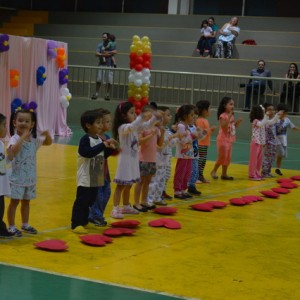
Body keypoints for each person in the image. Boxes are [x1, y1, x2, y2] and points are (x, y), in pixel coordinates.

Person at [7, 105, 52, 237]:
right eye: (20, 120)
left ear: (32, 124)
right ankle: (11, 226)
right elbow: (12, 152)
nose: (23, 123)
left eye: (27, 121)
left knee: (26, 202)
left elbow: (48, 143)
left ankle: (25, 224)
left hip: (30, 178)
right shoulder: (14, 139)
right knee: (14, 202)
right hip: (17, 178)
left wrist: (47, 134)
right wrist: (22, 138)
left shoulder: (33, 140)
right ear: (14, 123)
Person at [71, 109, 118, 233]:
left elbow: (102, 155)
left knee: (90, 201)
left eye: (101, 123)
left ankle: (85, 221)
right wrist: (103, 145)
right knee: (82, 201)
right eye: (98, 123)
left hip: (96, 176)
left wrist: (111, 149)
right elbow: (87, 153)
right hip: (86, 177)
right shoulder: (85, 139)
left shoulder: (98, 139)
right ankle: (76, 224)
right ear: (88, 125)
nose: (101, 125)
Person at [111, 101, 157, 219]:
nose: (134, 115)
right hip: (125, 162)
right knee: (121, 185)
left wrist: (155, 117)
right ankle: (115, 208)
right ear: (123, 116)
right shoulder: (123, 128)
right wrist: (142, 116)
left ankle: (126, 205)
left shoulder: (134, 127)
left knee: (129, 184)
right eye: (131, 113)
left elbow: (146, 126)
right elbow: (133, 126)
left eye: (134, 112)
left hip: (132, 161)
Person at [88, 108, 120, 227]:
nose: (109, 124)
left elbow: (111, 153)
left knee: (106, 192)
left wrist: (116, 148)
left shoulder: (106, 136)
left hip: (105, 170)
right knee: (98, 195)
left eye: (109, 121)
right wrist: (106, 146)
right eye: (106, 121)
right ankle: (95, 216)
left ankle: (97, 214)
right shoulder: (95, 138)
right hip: (96, 169)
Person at [134, 105, 164, 211]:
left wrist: (162, 132)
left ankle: (144, 201)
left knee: (147, 181)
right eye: (150, 113)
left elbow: (160, 144)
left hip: (152, 158)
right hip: (143, 158)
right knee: (140, 181)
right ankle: (136, 202)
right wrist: (151, 135)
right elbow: (140, 141)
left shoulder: (155, 128)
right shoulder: (142, 127)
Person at [147, 106, 177, 206]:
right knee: (154, 180)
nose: (170, 117)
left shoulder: (164, 130)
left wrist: (176, 138)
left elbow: (170, 143)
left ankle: (158, 197)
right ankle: (149, 199)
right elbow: (160, 145)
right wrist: (172, 137)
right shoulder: (154, 130)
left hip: (164, 159)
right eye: (167, 115)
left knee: (161, 179)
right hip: (155, 158)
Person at [210, 97, 242, 180]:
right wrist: (229, 117)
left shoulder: (231, 116)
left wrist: (236, 124)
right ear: (225, 105)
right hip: (222, 139)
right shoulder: (222, 116)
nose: (232, 106)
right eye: (230, 104)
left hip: (229, 139)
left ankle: (224, 174)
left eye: (233, 104)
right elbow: (224, 127)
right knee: (222, 156)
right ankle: (213, 171)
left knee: (228, 157)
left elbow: (232, 127)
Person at [173, 104, 201, 199]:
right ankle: (177, 190)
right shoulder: (181, 126)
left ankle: (183, 190)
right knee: (181, 172)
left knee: (187, 172)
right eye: (191, 115)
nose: (193, 117)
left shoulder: (187, 126)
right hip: (182, 153)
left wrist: (197, 135)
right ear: (185, 116)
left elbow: (189, 140)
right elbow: (182, 141)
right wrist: (193, 136)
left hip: (188, 153)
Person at [248, 105, 281, 181]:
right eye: (262, 112)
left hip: (260, 143)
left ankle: (256, 173)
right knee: (254, 160)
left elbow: (271, 122)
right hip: (255, 142)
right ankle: (251, 175)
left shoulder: (263, 121)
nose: (264, 114)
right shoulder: (255, 121)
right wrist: (266, 116)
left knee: (259, 160)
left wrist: (277, 115)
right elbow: (261, 124)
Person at [275, 103, 300, 176]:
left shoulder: (287, 120)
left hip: (283, 139)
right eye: (284, 112)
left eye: (286, 113)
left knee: (281, 155)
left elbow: (293, 127)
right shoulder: (275, 119)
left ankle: (278, 168)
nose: (285, 114)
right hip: (276, 138)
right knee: (281, 153)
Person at [91, 32, 117, 101]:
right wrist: (103, 55)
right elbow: (96, 53)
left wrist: (107, 53)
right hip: (101, 64)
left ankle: (107, 94)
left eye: (104, 37)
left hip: (109, 65)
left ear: (108, 38)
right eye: (102, 37)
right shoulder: (100, 45)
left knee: (109, 81)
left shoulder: (111, 44)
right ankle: (96, 94)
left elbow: (115, 51)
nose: (103, 38)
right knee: (98, 79)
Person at [195, 100, 216, 183]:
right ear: (204, 110)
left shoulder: (204, 120)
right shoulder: (200, 120)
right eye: (209, 108)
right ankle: (196, 176)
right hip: (200, 144)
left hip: (204, 144)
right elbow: (199, 134)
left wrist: (209, 131)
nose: (210, 110)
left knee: (202, 161)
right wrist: (209, 130)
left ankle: (200, 176)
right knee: (199, 161)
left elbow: (205, 133)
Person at [0, 113, 13, 239]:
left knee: (0, 208)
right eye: (4, 125)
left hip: (1, 183)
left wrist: (8, 158)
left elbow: (1, 164)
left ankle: (1, 228)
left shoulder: (0, 143)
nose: (6, 128)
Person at [187, 108, 203, 195]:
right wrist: (196, 135)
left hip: (195, 152)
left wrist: (202, 133)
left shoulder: (194, 127)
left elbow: (198, 139)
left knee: (196, 170)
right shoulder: (187, 128)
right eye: (193, 117)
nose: (194, 119)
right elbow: (190, 139)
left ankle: (192, 185)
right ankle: (190, 185)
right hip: (190, 152)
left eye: (195, 118)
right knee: (192, 170)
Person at [261, 103, 279, 178]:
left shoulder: (274, 121)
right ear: (265, 111)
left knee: (272, 158)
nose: (271, 111)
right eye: (269, 109)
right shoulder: (265, 120)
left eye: (273, 109)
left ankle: (268, 171)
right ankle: (264, 172)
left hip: (273, 142)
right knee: (267, 157)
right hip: (267, 143)